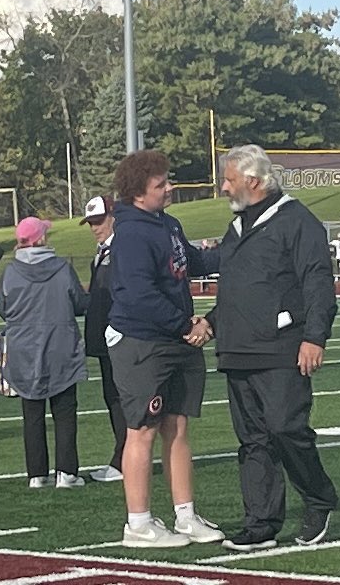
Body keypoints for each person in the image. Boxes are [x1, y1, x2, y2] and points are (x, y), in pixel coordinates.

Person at [204, 144, 338, 552]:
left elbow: (317, 283)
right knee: (253, 440)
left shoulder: (297, 221)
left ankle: (319, 498)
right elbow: (239, 288)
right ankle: (260, 524)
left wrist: (314, 337)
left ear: (253, 181)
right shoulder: (238, 227)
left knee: (285, 428)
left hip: (281, 345)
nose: (223, 187)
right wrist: (210, 323)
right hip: (238, 347)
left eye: (229, 179)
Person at [107, 149, 223, 549]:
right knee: (142, 431)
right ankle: (137, 523)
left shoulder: (166, 223)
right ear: (138, 193)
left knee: (178, 426)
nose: (169, 188)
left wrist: (239, 249)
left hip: (174, 340)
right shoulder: (132, 233)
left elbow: (193, 262)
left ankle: (186, 515)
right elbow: (139, 294)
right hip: (145, 342)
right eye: (161, 184)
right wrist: (184, 323)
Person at [0, 217, 89, 489]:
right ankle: (67, 472)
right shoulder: (62, 268)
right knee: (65, 411)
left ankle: (37, 473)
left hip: (24, 348)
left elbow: (3, 307)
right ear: (40, 239)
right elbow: (79, 303)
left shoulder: (11, 272)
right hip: (61, 346)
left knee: (32, 413)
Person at [80, 195, 126, 483]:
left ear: (113, 217)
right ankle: (121, 457)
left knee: (121, 398)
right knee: (112, 397)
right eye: (92, 223)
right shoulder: (103, 250)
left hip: (119, 335)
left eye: (99, 221)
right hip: (104, 336)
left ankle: (123, 459)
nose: (95, 228)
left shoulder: (121, 249)